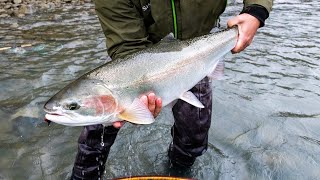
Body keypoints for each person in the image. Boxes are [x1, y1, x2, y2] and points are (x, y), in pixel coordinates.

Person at [71, 0, 273, 179]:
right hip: (133, 59)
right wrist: (137, 96)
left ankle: (178, 171)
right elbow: (128, 47)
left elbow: (255, 10)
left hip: (198, 52)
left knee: (194, 136)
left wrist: (256, 12)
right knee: (99, 126)